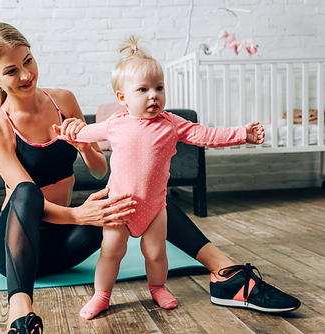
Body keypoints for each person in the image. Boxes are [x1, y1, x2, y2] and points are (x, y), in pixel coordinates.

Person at [0, 22, 300, 333]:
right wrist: (79, 214)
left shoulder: (62, 100)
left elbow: (100, 169)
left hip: (68, 240)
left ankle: (225, 274)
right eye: (12, 70)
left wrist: (85, 149)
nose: (27, 74)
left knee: (143, 191)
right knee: (27, 192)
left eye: (28, 61)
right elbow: (24, 198)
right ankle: (20, 314)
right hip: (19, 246)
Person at [54, 35, 267, 320]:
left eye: (159, 87)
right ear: (123, 98)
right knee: (111, 251)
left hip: (154, 207)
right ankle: (101, 295)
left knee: (155, 253)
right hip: (119, 206)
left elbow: (206, 135)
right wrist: (68, 129)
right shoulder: (115, 124)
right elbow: (84, 133)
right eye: (143, 89)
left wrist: (242, 134)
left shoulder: (172, 124)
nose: (153, 95)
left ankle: (158, 287)